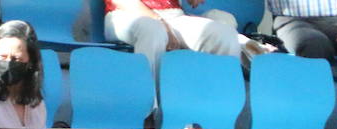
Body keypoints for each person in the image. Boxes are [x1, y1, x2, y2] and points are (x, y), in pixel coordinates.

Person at [103, 0, 242, 71]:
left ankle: (218, 106)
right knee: (153, 30)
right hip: (127, 13)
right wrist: (160, 21)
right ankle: (148, 111)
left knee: (224, 34)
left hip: (173, 16)